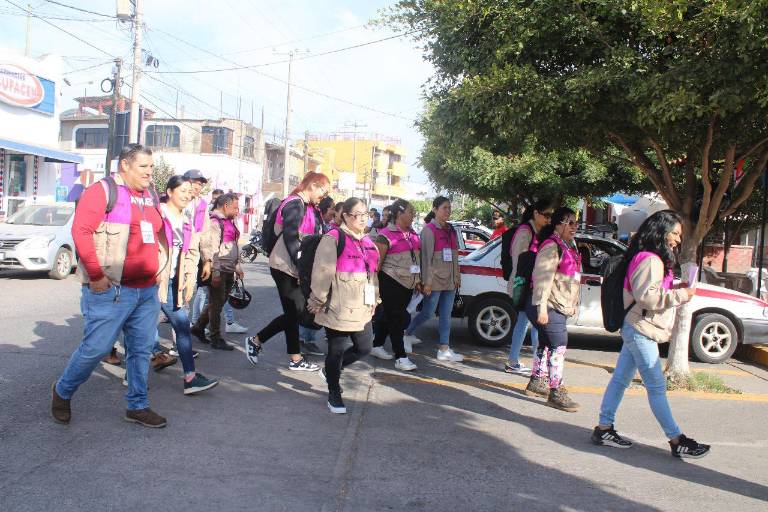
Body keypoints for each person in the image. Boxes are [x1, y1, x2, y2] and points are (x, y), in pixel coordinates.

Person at [52, 144, 167, 428]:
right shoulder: (103, 192)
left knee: (140, 351)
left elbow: (159, 232)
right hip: (111, 290)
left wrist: (162, 267)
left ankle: (137, 405)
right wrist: (95, 274)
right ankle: (62, 391)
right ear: (125, 166)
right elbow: (81, 232)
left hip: (146, 291)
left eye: (152, 167)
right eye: (143, 167)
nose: (149, 173)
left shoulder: (150, 194)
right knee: (96, 348)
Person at [592, 210, 710, 459]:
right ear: (662, 231)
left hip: (638, 326)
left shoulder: (649, 257)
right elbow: (647, 297)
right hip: (641, 329)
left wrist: (675, 287)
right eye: (675, 233)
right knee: (656, 386)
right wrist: (682, 295)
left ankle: (604, 428)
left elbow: (648, 291)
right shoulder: (650, 260)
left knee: (620, 380)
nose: (678, 239)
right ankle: (677, 440)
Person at [244, 172, 329, 371]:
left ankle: (258, 342)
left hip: (291, 266)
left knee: (294, 314)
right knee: (295, 312)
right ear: (312, 185)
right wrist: (302, 271)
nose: (323, 198)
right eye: (322, 192)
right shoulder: (295, 204)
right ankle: (294, 358)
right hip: (285, 267)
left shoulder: (308, 207)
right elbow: (292, 238)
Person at [308, 197, 380, 413]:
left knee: (364, 347)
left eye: (365, 214)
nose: (362, 219)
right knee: (336, 350)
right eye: (357, 214)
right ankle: (333, 391)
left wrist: (375, 299)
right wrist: (317, 299)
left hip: (362, 307)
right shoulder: (333, 238)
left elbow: (372, 275)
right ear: (346, 216)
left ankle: (331, 372)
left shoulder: (368, 242)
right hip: (338, 305)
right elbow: (322, 272)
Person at [158, 175, 218, 394]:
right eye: (181, 190)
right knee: (139, 331)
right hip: (151, 282)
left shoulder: (186, 219)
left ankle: (190, 378)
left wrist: (188, 280)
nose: (187, 194)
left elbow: (191, 251)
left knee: (182, 327)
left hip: (172, 282)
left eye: (189, 191)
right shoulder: (157, 214)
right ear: (169, 191)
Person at [524, 207, 581, 412]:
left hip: (559, 304)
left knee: (548, 342)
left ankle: (537, 381)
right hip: (547, 304)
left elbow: (571, 280)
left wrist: (573, 304)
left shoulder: (568, 245)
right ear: (559, 224)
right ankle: (556, 391)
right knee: (559, 343)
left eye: (576, 223)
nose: (574, 226)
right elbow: (542, 279)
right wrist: (541, 308)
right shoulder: (551, 246)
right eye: (570, 222)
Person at [403, 196, 463, 362]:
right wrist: (426, 282)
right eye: (444, 208)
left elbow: (455, 256)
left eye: (449, 208)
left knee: (446, 314)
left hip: (450, 281)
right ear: (435, 210)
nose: (448, 211)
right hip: (434, 280)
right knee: (428, 312)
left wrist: (457, 276)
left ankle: (444, 348)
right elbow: (426, 258)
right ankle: (407, 332)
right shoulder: (429, 230)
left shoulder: (451, 229)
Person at [189, 182, 247, 335]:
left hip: (229, 269)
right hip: (219, 270)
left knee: (218, 302)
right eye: (235, 208)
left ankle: (198, 327)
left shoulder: (230, 221)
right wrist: (215, 273)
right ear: (226, 206)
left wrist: (237, 266)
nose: (237, 211)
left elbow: (233, 244)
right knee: (216, 305)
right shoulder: (215, 222)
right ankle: (215, 337)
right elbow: (212, 249)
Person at [504, 200, 554, 375]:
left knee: (526, 322)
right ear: (536, 213)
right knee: (532, 322)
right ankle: (534, 364)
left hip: (531, 285)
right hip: (524, 285)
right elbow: (519, 262)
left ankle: (520, 361)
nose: (549, 219)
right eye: (546, 215)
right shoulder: (526, 231)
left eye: (551, 216)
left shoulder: (539, 231)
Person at [370, 199, 421, 370]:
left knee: (389, 316)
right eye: (410, 212)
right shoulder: (385, 235)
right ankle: (400, 357)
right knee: (396, 319)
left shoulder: (412, 233)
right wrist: (373, 288)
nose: (413, 215)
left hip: (409, 283)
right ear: (399, 214)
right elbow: (377, 264)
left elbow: (416, 259)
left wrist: (418, 280)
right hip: (390, 282)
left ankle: (376, 345)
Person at [298, 195, 337, 357]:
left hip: (315, 270)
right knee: (309, 307)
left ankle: (308, 340)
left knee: (313, 308)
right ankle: (301, 340)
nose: (333, 214)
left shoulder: (323, 223)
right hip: (308, 270)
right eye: (332, 210)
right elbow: (304, 245)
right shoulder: (313, 221)